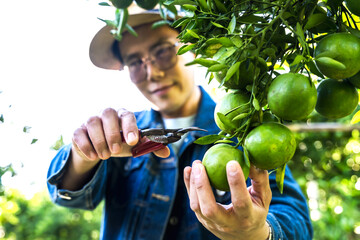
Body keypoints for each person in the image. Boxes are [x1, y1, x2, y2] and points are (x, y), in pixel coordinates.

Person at [47, 7, 313, 240]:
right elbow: (71, 197)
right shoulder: (121, 134)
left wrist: (257, 233)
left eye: (162, 51)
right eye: (135, 63)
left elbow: (296, 220)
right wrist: (84, 156)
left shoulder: (244, 133)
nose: (152, 72)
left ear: (192, 47)